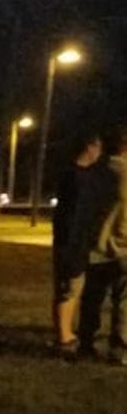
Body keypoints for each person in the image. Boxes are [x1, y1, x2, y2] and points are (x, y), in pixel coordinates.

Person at [50, 128, 104, 358]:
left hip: (73, 243)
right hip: (72, 244)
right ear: (90, 148)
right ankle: (64, 337)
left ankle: (66, 334)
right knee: (69, 289)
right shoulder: (77, 178)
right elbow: (73, 217)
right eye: (98, 147)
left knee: (70, 289)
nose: (100, 152)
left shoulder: (74, 175)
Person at [79, 127, 127, 364]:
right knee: (124, 301)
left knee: (92, 298)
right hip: (123, 246)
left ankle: (87, 342)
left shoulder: (96, 171)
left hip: (97, 245)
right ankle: (120, 349)